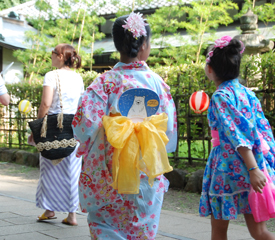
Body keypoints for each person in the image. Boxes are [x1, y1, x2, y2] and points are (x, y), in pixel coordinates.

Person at [72, 12, 177, 239]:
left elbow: (85, 124)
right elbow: (168, 130)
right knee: (142, 224)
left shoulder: (104, 82)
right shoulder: (158, 84)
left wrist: (86, 145)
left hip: (110, 166)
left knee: (106, 223)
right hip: (144, 165)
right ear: (144, 45)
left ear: (117, 44)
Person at [199, 36, 275, 240]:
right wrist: (262, 163)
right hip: (250, 168)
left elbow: (236, 135)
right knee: (260, 232)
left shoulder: (221, 96)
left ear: (210, 70)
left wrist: (254, 169)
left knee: (219, 231)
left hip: (227, 169)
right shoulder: (247, 93)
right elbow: (263, 129)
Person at [34, 44, 84, 226]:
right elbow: (81, 105)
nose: (51, 56)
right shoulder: (78, 78)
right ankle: (72, 215)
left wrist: (38, 127)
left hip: (54, 127)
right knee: (72, 170)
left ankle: (49, 210)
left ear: (61, 56)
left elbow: (45, 104)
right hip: (73, 127)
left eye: (53, 53)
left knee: (50, 168)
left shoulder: (51, 76)